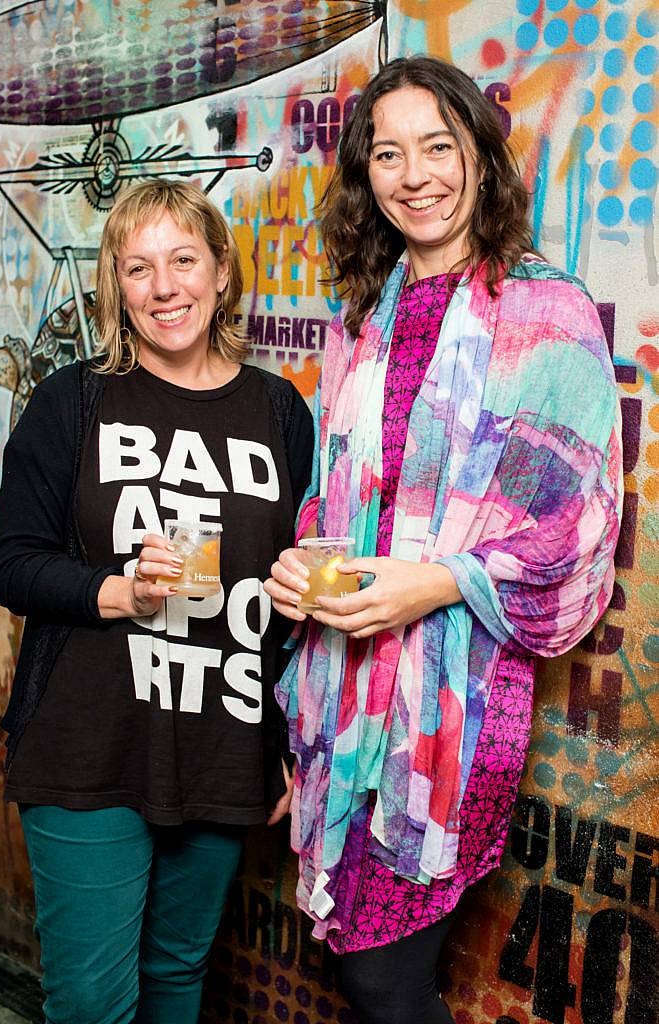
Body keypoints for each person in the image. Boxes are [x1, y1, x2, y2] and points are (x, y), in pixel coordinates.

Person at [264, 56, 622, 1024]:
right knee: (369, 974)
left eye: (437, 145)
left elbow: (573, 527)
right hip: (339, 698)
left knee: (385, 980)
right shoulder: (364, 320)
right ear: (364, 176)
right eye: (387, 153)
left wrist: (435, 581)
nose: (414, 173)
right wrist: (301, 560)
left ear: (476, 155)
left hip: (453, 708)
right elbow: (331, 503)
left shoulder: (541, 311)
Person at [0, 178, 313, 1024]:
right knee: (94, 1002)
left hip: (222, 737)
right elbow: (13, 566)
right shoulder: (74, 398)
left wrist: (282, 738)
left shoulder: (280, 412)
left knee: (176, 978)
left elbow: (284, 600)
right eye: (139, 268)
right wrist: (118, 590)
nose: (165, 287)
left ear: (220, 270)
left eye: (182, 260)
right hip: (86, 741)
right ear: (115, 286)